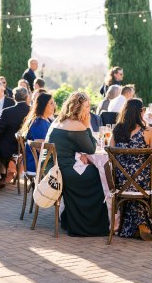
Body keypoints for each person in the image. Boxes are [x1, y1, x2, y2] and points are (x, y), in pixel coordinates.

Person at [46, 91, 109, 237]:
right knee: (99, 174)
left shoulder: (59, 120)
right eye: (86, 107)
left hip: (54, 168)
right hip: (64, 172)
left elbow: (70, 146)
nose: (89, 110)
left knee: (94, 171)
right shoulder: (76, 125)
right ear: (76, 108)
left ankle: (71, 219)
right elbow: (91, 148)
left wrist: (80, 154)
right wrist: (87, 126)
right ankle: (89, 225)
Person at [110, 98, 152, 240]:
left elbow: (110, 155)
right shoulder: (148, 131)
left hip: (122, 182)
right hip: (143, 181)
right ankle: (144, 224)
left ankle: (138, 225)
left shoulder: (117, 130)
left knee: (134, 184)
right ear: (140, 112)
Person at [0, 87, 30, 189]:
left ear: (14, 98)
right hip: (25, 150)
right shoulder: (32, 112)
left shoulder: (7, 112)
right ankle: (6, 174)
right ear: (27, 97)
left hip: (6, 149)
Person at [21, 92, 55, 173]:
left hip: (43, 161)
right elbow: (42, 149)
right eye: (51, 103)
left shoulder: (46, 120)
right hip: (37, 163)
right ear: (43, 105)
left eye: (54, 103)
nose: (54, 105)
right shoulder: (38, 123)